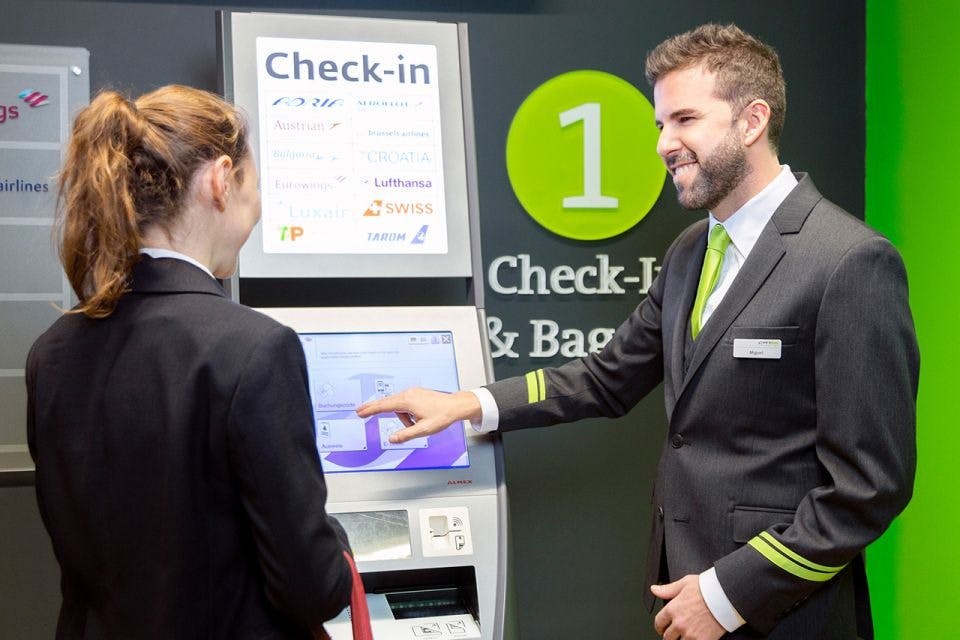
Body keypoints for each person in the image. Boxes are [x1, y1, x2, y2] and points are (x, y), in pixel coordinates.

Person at [357, 24, 918, 640]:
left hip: (781, 611)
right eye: (659, 125)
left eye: (684, 120)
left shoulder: (848, 261)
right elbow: (608, 376)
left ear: (752, 121)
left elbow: (869, 489)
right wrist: (467, 404)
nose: (663, 144)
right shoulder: (690, 252)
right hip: (681, 592)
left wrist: (729, 593)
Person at [27, 85, 353, 639]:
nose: (258, 209)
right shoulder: (255, 348)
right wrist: (338, 542)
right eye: (256, 186)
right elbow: (312, 586)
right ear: (221, 180)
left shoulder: (52, 351)